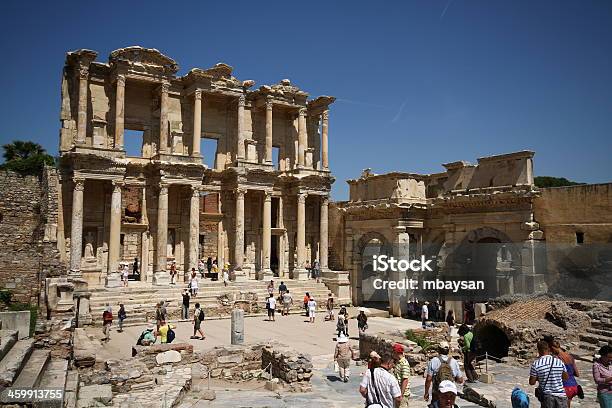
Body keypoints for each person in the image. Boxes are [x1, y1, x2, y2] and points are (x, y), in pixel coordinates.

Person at [529, 340, 569, 408]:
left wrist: (540, 377)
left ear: (538, 350)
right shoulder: (559, 362)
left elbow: (532, 382)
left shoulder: (536, 364)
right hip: (561, 396)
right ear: (548, 349)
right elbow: (565, 377)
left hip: (547, 397)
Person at [550, 340, 581, 407]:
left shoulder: (556, 358)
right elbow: (577, 374)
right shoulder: (570, 357)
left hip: (564, 387)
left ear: (553, 348)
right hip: (574, 386)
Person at [392, 343, 411, 408]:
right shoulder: (398, 362)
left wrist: (401, 395)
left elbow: (405, 380)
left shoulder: (404, 364)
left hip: (402, 393)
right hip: (397, 391)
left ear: (396, 352)